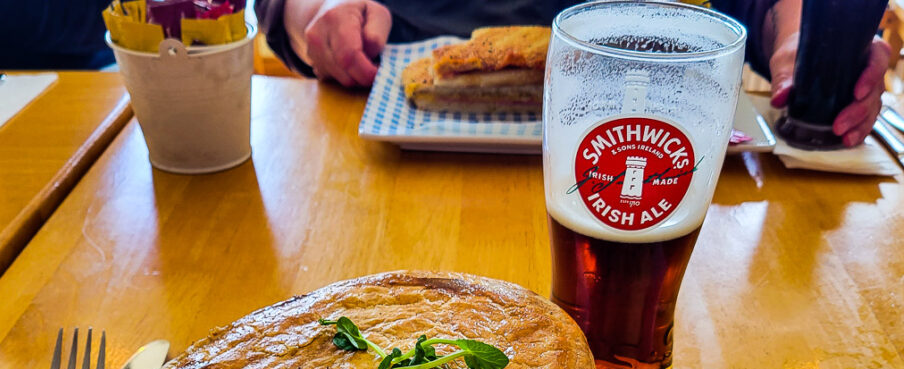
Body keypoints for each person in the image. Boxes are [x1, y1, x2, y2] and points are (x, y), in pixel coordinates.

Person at [256, 0, 891, 147]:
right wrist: (317, 16)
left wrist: (806, 42)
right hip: (380, 145)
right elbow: (281, 8)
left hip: (640, 142)